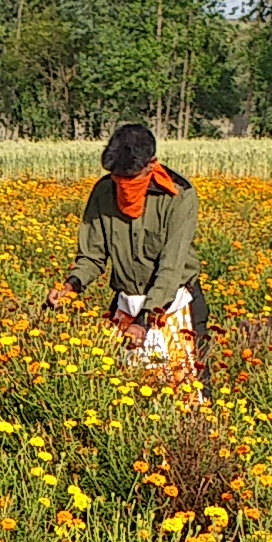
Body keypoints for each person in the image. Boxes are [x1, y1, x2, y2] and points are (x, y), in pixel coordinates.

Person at [47, 123, 208, 389]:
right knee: (121, 388)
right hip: (126, 303)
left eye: (132, 179)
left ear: (151, 164)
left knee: (187, 393)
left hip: (175, 303)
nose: (124, 187)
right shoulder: (103, 192)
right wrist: (71, 286)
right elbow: (92, 256)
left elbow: (171, 267)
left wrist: (145, 320)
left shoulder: (179, 195)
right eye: (118, 179)